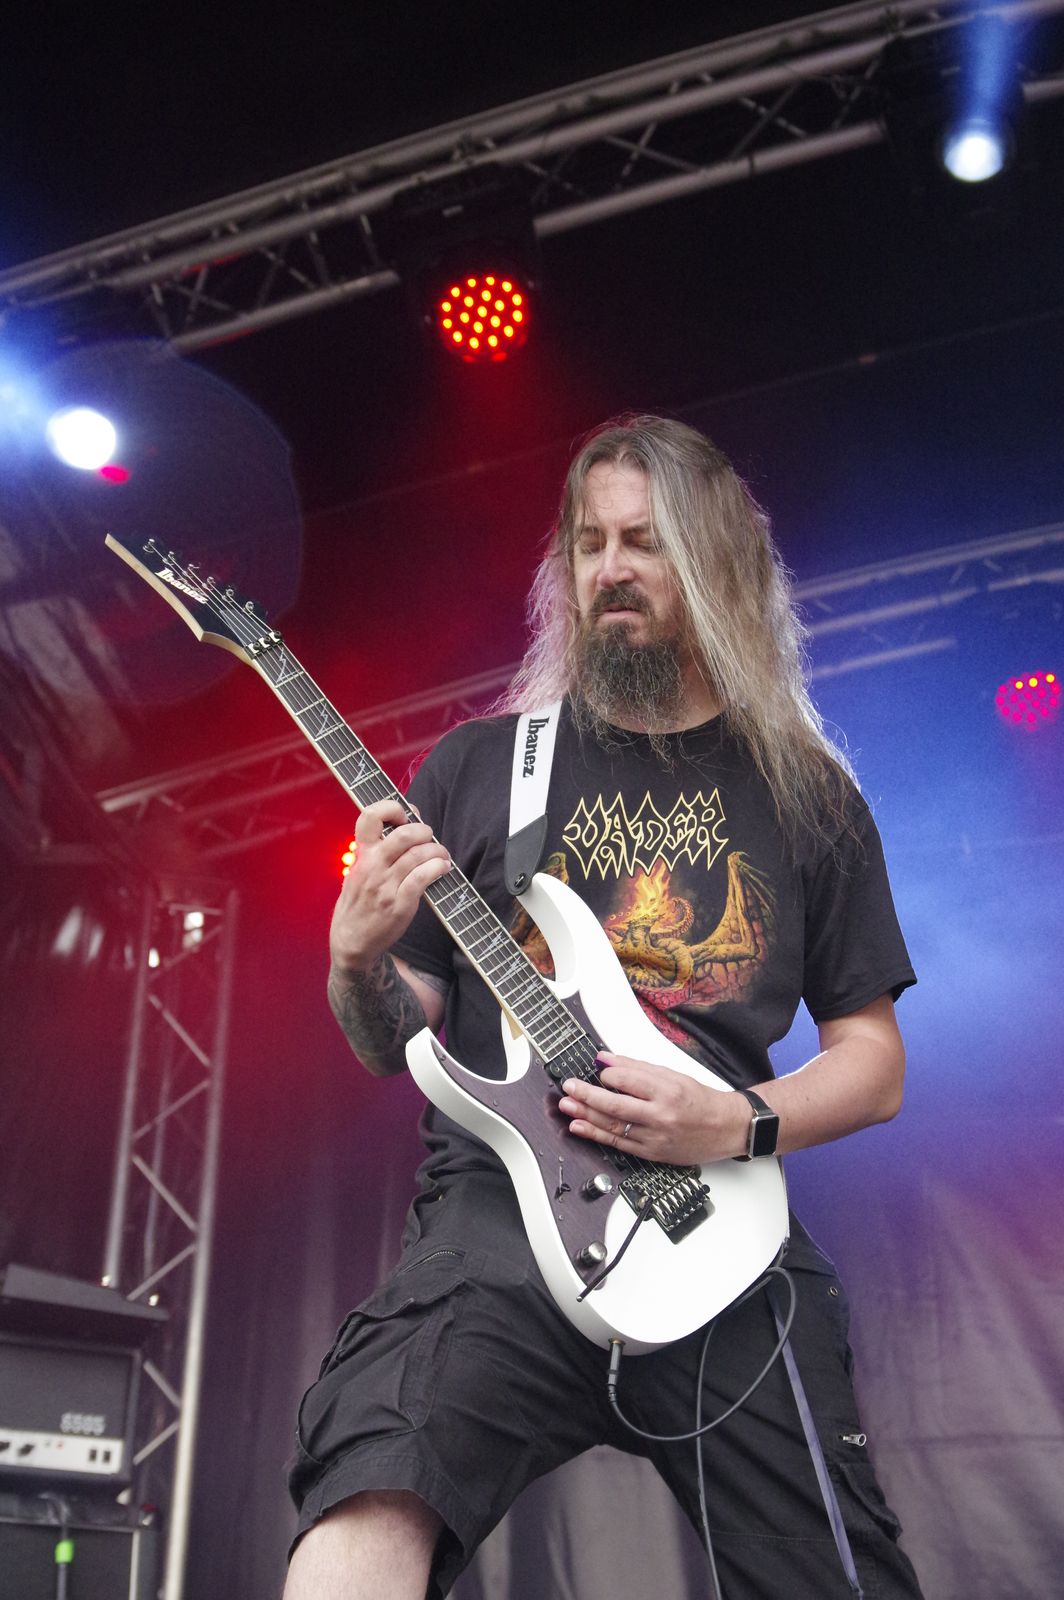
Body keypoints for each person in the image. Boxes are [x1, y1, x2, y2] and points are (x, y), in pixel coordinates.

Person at [284, 415, 924, 1599]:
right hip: (497, 1220)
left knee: (838, 1571)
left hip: (712, 1218)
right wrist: (354, 957)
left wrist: (730, 1121)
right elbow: (391, 1037)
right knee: (368, 1478)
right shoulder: (484, 767)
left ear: (715, 563)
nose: (610, 570)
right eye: (588, 544)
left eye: (644, 541)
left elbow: (871, 1063)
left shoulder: (805, 794)